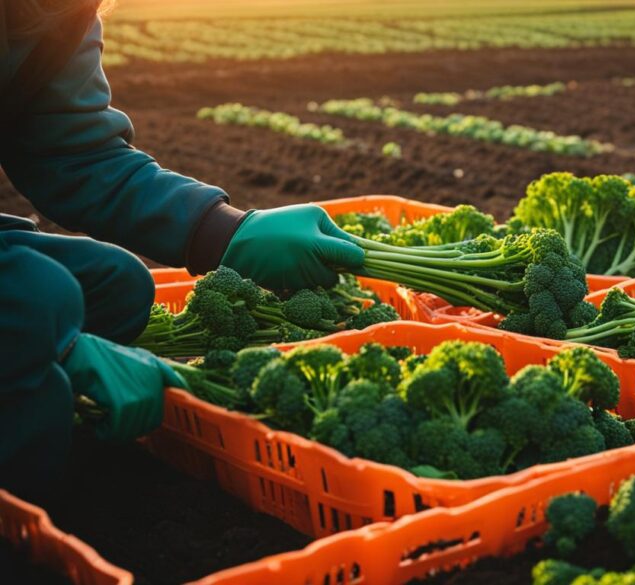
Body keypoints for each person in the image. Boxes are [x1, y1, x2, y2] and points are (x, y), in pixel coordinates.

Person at [0, 0, 364, 495]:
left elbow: (75, 153)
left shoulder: (62, 11)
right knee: (45, 309)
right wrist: (50, 335)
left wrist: (224, 231)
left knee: (116, 287)